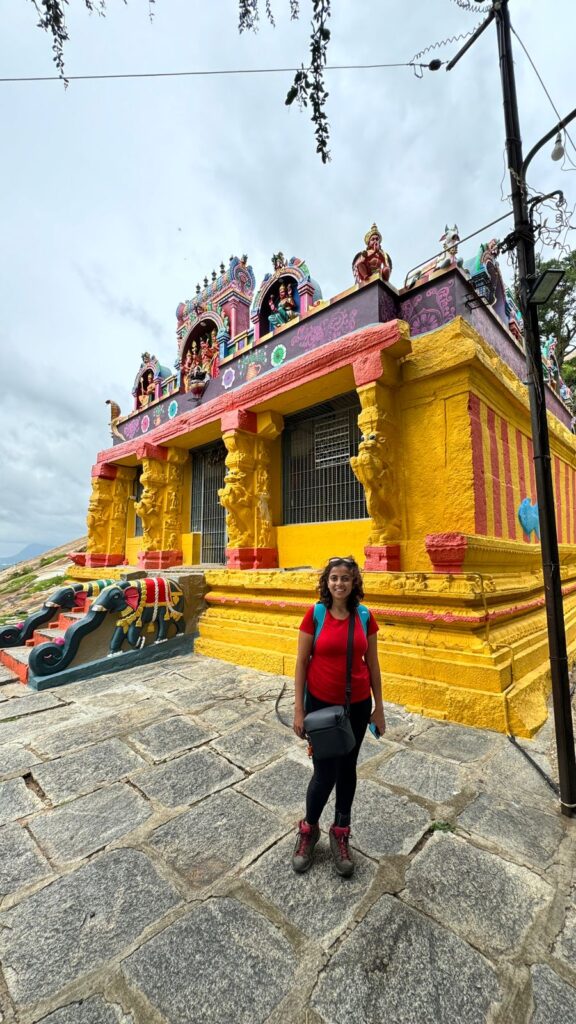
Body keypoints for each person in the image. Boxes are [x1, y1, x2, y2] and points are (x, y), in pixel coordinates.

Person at [292, 556, 386, 877]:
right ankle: (309, 829)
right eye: (334, 578)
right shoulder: (315, 615)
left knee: (348, 769)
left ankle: (341, 831)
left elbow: (372, 663)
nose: (339, 584)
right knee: (323, 773)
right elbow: (302, 663)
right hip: (320, 707)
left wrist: (379, 708)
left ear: (354, 582)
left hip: (357, 706)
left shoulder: (364, 617)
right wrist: (299, 709)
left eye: (345, 578)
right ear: (327, 582)